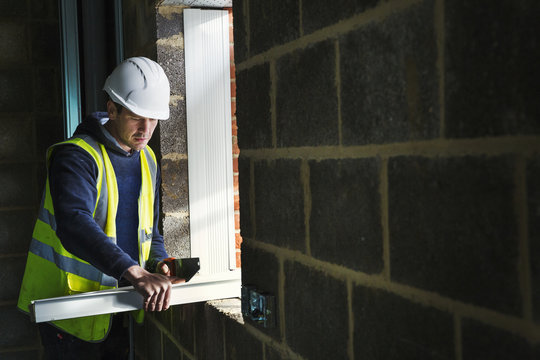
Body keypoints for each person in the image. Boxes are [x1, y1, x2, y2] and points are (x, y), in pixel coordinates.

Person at [17, 57, 181, 359]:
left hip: (118, 303)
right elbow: (74, 224)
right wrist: (135, 273)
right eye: (136, 117)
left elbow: (149, 231)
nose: (146, 129)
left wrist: (159, 264)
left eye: (154, 119)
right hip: (68, 308)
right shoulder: (75, 157)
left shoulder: (147, 159)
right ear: (112, 110)